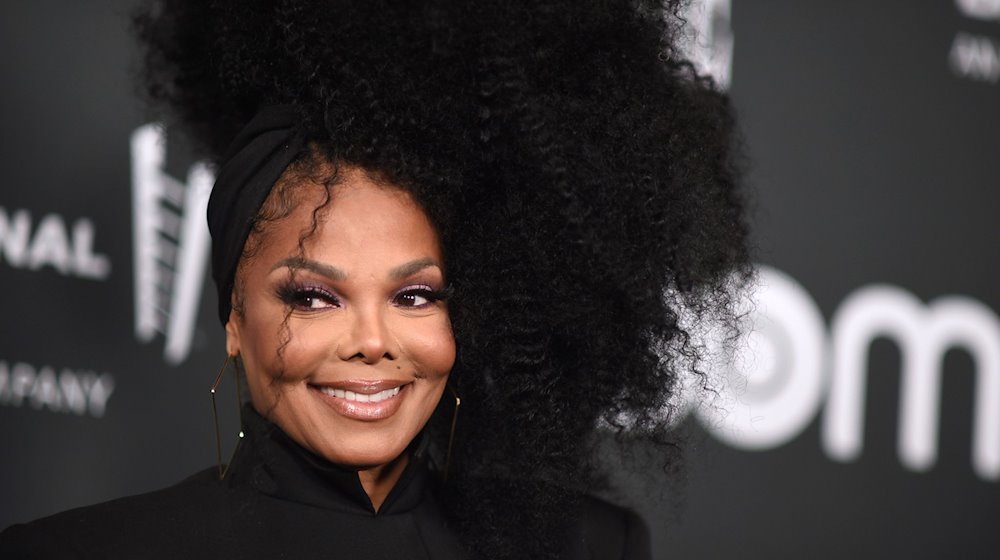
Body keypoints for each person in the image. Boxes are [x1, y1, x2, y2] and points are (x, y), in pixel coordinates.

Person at [0, 0, 750, 558]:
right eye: (312, 296)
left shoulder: (589, 549)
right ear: (233, 314)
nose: (370, 341)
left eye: (415, 295)